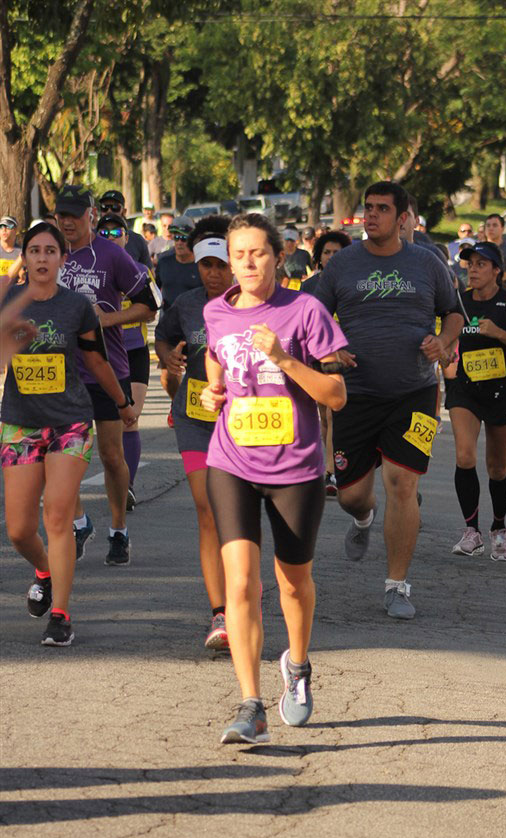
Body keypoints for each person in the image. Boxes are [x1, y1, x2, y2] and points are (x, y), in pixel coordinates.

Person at [200, 213, 348, 744]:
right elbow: (215, 364)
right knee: (240, 582)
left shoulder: (305, 310)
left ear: (278, 257)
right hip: (231, 461)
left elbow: (336, 396)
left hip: (296, 467)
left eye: (257, 253)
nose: (246, 263)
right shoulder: (216, 311)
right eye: (238, 254)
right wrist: (211, 392)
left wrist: (283, 358)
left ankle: (299, 664)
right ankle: (251, 706)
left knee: (292, 582)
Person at [314, 180, 462, 619]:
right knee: (351, 496)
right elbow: (315, 315)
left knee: (402, 484)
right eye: (369, 207)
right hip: (355, 394)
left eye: (382, 208)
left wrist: (443, 340)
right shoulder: (343, 263)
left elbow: (453, 312)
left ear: (402, 218)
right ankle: (364, 519)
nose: (372, 215)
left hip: (414, 392)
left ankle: (397, 585)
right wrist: (329, 350)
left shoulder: (427, 262)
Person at [1, 223, 138, 645]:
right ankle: (44, 570)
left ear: (63, 258)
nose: (42, 258)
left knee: (58, 516)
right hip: (21, 422)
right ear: (25, 257)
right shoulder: (8, 301)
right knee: (19, 529)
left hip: (70, 423)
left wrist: (122, 402)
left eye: (50, 251)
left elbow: (96, 360)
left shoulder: (76, 306)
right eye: (34, 250)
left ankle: (60, 614)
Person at [55, 184, 158, 566]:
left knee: (111, 455)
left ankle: (118, 529)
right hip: (63, 374)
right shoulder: (50, 252)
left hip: (107, 369)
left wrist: (108, 319)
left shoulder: (112, 255)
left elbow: (149, 306)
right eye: (61, 215)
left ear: (91, 215)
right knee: (61, 455)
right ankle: (81, 523)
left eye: (74, 215)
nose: (67, 222)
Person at [154, 216, 233, 648]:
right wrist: (169, 358)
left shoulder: (251, 305)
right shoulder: (186, 305)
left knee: (234, 513)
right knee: (207, 510)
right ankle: (220, 613)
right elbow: (164, 338)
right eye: (206, 265)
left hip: (242, 421)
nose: (213, 274)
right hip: (195, 417)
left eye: (221, 265)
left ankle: (242, 588)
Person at [441, 241, 506, 559]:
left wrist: (499, 334)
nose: (473, 270)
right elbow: (447, 337)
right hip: (465, 389)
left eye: (481, 264)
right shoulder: (459, 303)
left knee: (497, 467)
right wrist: (444, 352)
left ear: (497, 270)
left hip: (503, 390)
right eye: (470, 264)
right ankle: (472, 531)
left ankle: (499, 528)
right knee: (465, 456)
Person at [96, 212, 152, 510]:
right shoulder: (92, 273)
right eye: (103, 233)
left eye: (116, 233)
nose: (110, 237)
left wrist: (112, 318)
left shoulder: (141, 271)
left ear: (127, 238)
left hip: (134, 351)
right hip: (102, 355)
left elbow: (152, 311)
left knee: (131, 419)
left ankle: (127, 486)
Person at [301, 230, 353, 497]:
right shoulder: (308, 287)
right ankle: (330, 464)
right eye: (327, 252)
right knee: (323, 416)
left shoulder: (354, 283)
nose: (332, 257)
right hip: (314, 356)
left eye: (337, 252)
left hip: (346, 357)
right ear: (318, 257)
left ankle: (332, 471)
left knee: (334, 414)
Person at [155, 216, 202, 408]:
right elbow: (155, 290)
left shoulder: (202, 263)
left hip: (197, 327)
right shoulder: (164, 261)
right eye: (176, 237)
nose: (180, 242)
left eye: (184, 237)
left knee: (198, 376)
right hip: (170, 327)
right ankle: (177, 406)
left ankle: (191, 413)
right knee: (168, 377)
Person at [98, 190, 152, 268]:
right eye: (104, 207)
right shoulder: (90, 237)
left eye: (115, 207)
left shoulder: (137, 240)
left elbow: (148, 271)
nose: (109, 211)